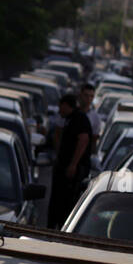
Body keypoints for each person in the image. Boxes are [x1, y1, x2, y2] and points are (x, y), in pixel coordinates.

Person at [47, 94, 92, 229]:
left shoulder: (79, 118)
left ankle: (63, 228)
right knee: (56, 201)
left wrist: (73, 164)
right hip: (63, 168)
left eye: (61, 106)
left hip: (72, 172)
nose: (59, 110)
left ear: (66, 105)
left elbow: (83, 140)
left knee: (66, 202)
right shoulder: (68, 119)